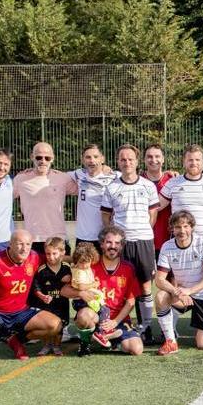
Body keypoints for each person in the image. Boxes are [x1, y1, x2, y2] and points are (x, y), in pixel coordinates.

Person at [0, 229, 62, 364]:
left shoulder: (34, 256)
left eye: (28, 244)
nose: (24, 248)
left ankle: (15, 339)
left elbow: (54, 259)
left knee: (55, 325)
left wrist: (78, 260)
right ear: (10, 244)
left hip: (22, 312)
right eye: (20, 244)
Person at [100, 144, 160, 342]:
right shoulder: (112, 187)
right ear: (118, 162)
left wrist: (141, 230)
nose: (127, 163)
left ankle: (146, 328)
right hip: (122, 245)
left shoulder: (148, 186)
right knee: (122, 286)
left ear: (137, 161)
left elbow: (153, 215)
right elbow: (106, 216)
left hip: (143, 241)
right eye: (123, 159)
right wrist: (118, 236)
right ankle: (120, 323)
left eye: (130, 159)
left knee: (145, 287)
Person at [153, 211, 203, 355]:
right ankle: (171, 342)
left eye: (185, 226)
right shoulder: (167, 246)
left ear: (192, 227)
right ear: (172, 228)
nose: (182, 231)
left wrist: (190, 290)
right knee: (160, 297)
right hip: (182, 296)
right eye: (177, 227)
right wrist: (178, 291)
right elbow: (159, 279)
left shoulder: (202, 242)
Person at [68, 227, 143, 356]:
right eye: (108, 242)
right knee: (83, 316)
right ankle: (86, 343)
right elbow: (65, 290)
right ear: (102, 244)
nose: (112, 246)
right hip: (95, 316)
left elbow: (131, 301)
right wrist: (80, 293)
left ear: (122, 245)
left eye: (117, 243)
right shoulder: (88, 265)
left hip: (117, 319)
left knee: (136, 349)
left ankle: (110, 340)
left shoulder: (128, 268)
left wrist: (115, 322)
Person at [12, 142, 77, 257]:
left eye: (47, 158)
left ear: (52, 158)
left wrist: (103, 169)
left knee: (64, 275)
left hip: (58, 239)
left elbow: (87, 188)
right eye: (39, 157)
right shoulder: (20, 179)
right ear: (32, 157)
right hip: (32, 241)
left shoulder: (63, 178)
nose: (43, 161)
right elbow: (1, 192)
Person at [158, 144, 203, 241]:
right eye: (190, 160)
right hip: (180, 239)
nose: (194, 163)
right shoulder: (173, 183)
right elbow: (155, 207)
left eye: (197, 160)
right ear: (184, 162)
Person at [30, 236, 71, 356]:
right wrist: (42, 296)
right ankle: (47, 345)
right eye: (48, 254)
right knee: (47, 327)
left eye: (54, 253)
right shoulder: (42, 270)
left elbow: (74, 285)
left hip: (62, 304)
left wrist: (71, 280)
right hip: (46, 305)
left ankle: (57, 346)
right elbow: (36, 288)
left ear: (62, 253)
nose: (51, 257)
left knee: (60, 326)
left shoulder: (67, 268)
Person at [68, 243, 110, 354]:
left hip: (86, 301)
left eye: (87, 262)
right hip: (82, 301)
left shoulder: (84, 268)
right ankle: (99, 333)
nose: (85, 265)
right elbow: (81, 287)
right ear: (77, 260)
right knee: (104, 311)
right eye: (82, 262)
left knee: (101, 312)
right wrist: (93, 284)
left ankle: (91, 337)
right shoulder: (80, 271)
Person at [72, 144, 116, 250]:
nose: (92, 160)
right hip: (83, 236)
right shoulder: (79, 174)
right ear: (82, 160)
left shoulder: (114, 176)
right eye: (88, 157)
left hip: (106, 236)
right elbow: (56, 176)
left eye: (95, 157)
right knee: (83, 267)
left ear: (102, 158)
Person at [143, 144, 176, 252]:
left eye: (157, 156)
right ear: (144, 160)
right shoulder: (137, 181)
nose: (153, 160)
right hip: (144, 239)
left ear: (163, 159)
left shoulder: (173, 180)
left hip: (169, 239)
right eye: (149, 156)